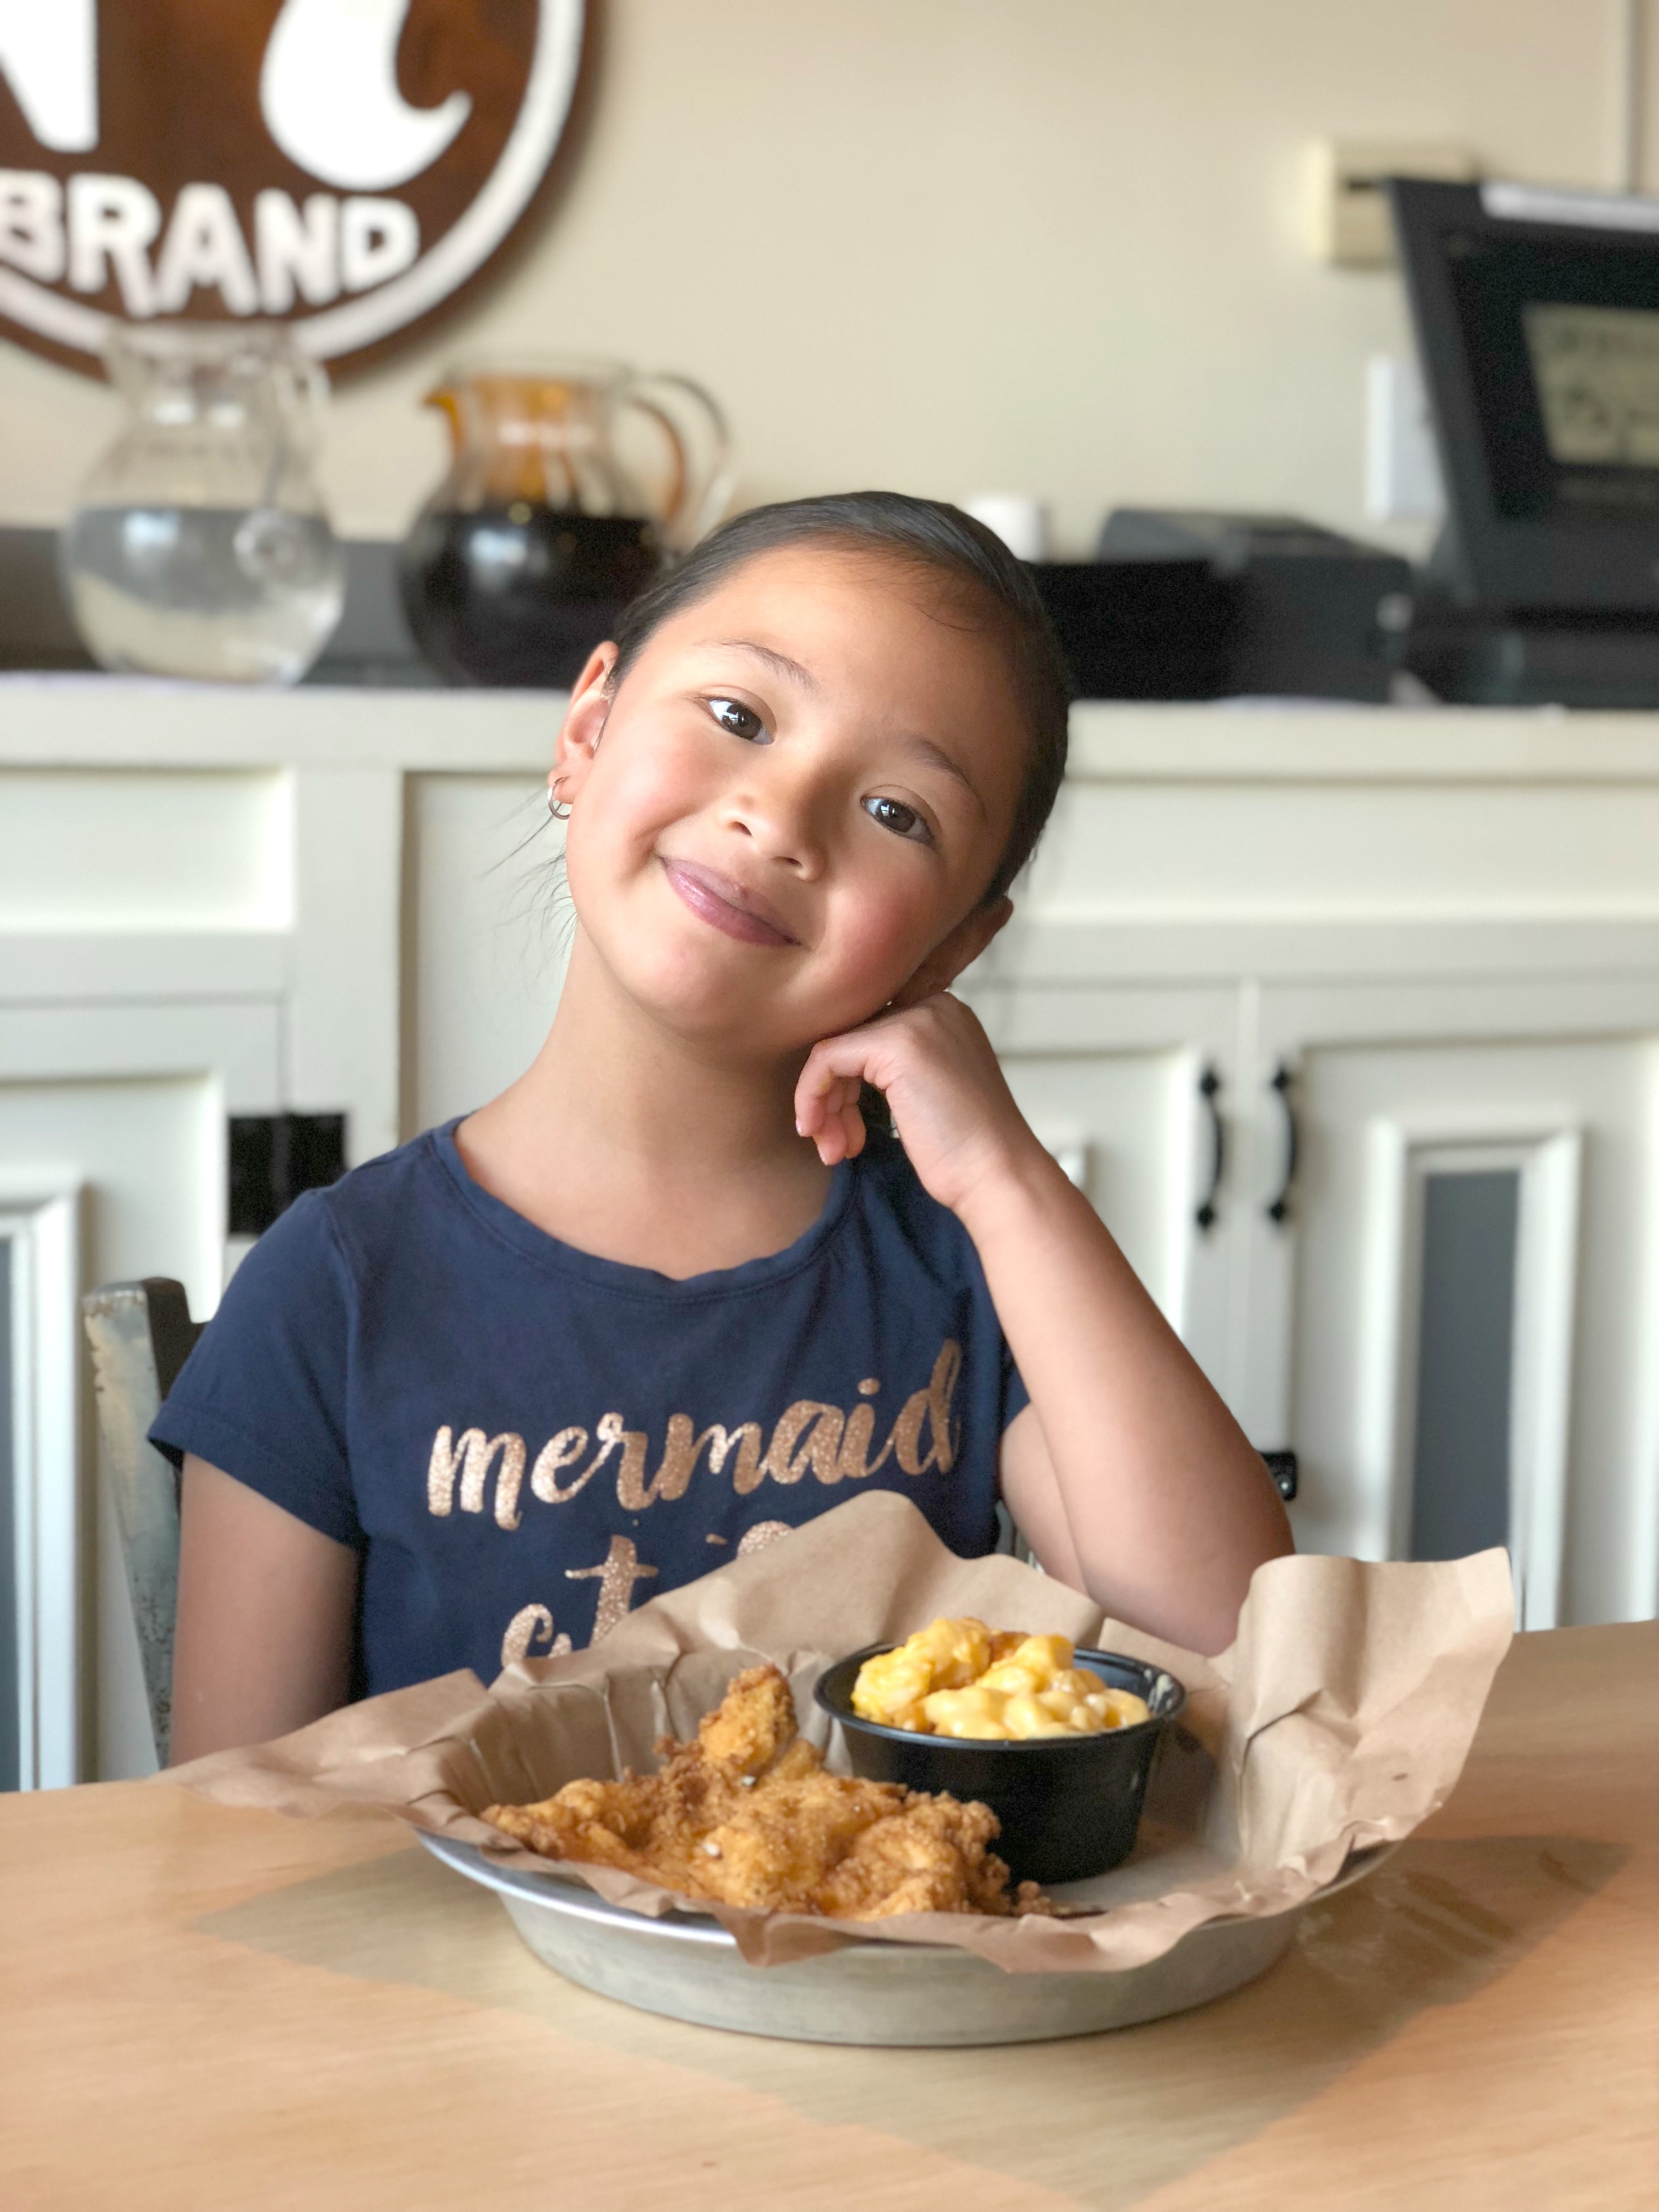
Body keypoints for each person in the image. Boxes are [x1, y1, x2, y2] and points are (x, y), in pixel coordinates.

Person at [156, 492, 1291, 1763]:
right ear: (587, 729)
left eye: (897, 812)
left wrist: (1011, 1182)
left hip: (877, 1949)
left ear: (956, 945)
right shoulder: (337, 1286)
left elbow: (1233, 1648)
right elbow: (237, 1831)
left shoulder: (971, 1272)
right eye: (740, 718)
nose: (781, 818)